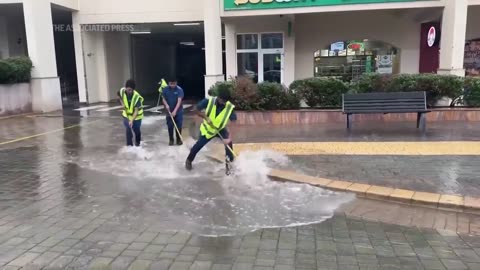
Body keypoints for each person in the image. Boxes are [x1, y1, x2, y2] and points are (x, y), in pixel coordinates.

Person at [185, 84, 236, 171]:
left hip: (220, 129)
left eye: (226, 100)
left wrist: (229, 137)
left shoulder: (229, 107)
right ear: (218, 97)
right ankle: (189, 160)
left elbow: (234, 122)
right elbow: (195, 109)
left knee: (229, 145)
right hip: (208, 130)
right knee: (198, 145)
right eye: (223, 100)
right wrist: (205, 117)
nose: (225, 102)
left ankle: (229, 164)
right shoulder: (209, 101)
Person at [117, 79, 144, 147]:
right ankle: (129, 145)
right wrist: (122, 103)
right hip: (126, 115)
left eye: (131, 90)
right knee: (128, 128)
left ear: (133, 89)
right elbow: (118, 95)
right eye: (128, 89)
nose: (130, 91)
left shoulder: (136, 97)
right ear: (125, 88)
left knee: (136, 130)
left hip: (137, 116)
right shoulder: (122, 91)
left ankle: (138, 142)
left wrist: (132, 120)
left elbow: (136, 111)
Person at [162, 78, 184, 146]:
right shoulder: (165, 89)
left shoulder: (179, 90)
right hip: (169, 111)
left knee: (178, 125)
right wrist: (166, 104)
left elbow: (179, 101)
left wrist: (175, 111)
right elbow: (163, 99)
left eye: (174, 83)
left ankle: (178, 140)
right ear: (168, 83)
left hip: (178, 111)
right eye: (171, 84)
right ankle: (171, 140)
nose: (172, 85)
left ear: (176, 82)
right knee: (170, 126)